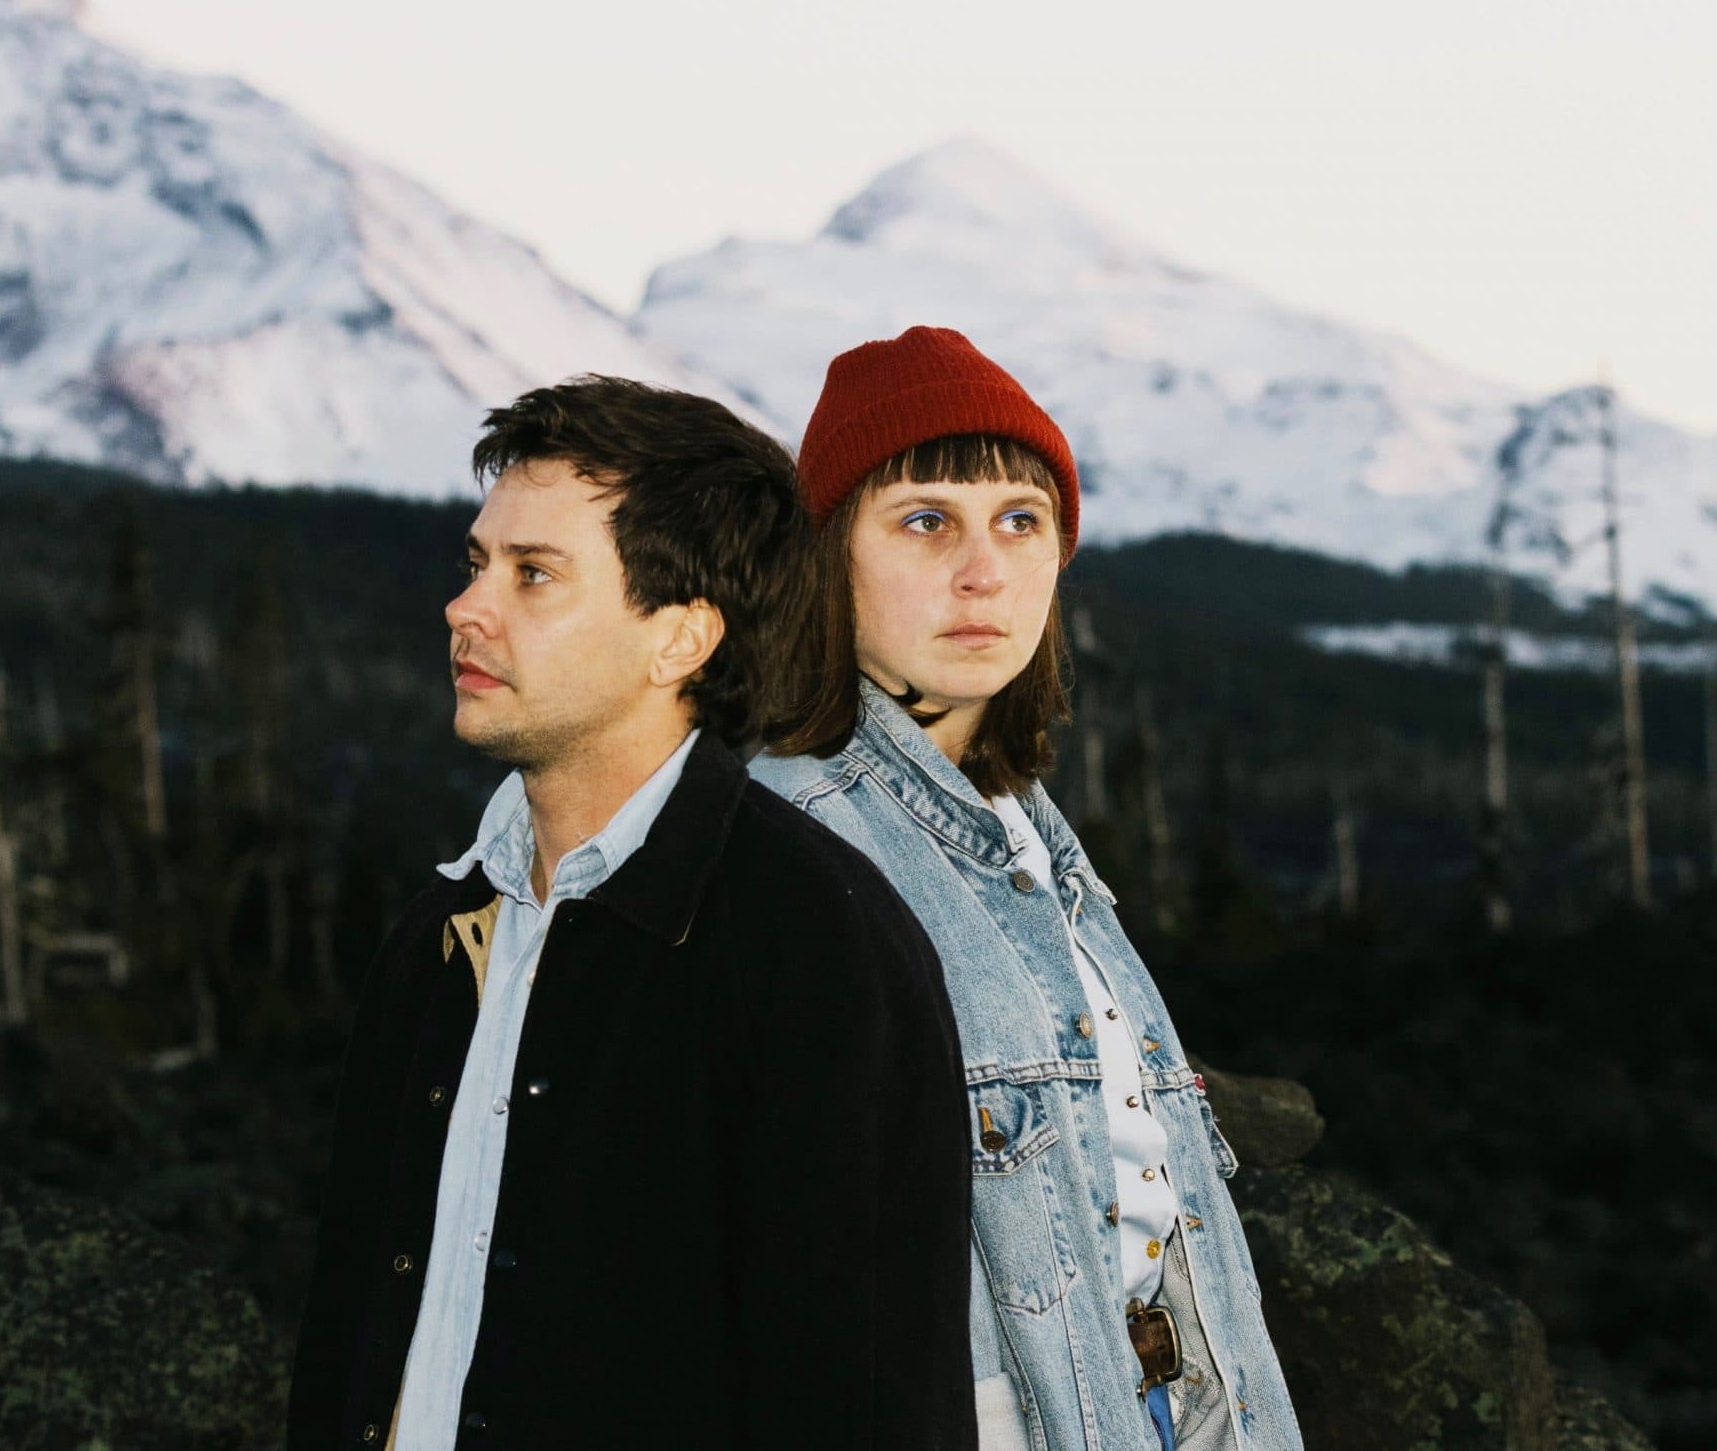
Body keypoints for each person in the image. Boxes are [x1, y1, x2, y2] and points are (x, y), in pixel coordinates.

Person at [288, 377, 976, 1451]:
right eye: (477, 564)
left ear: (681, 640)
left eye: (533, 574)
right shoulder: (442, 934)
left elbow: (873, 1397)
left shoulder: (819, 947)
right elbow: (347, 1328)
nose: (465, 609)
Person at [753, 328, 1306, 1451]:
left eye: (1021, 520)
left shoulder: (1027, 835)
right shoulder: (791, 846)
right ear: (827, 558)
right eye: (924, 522)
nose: (984, 571)